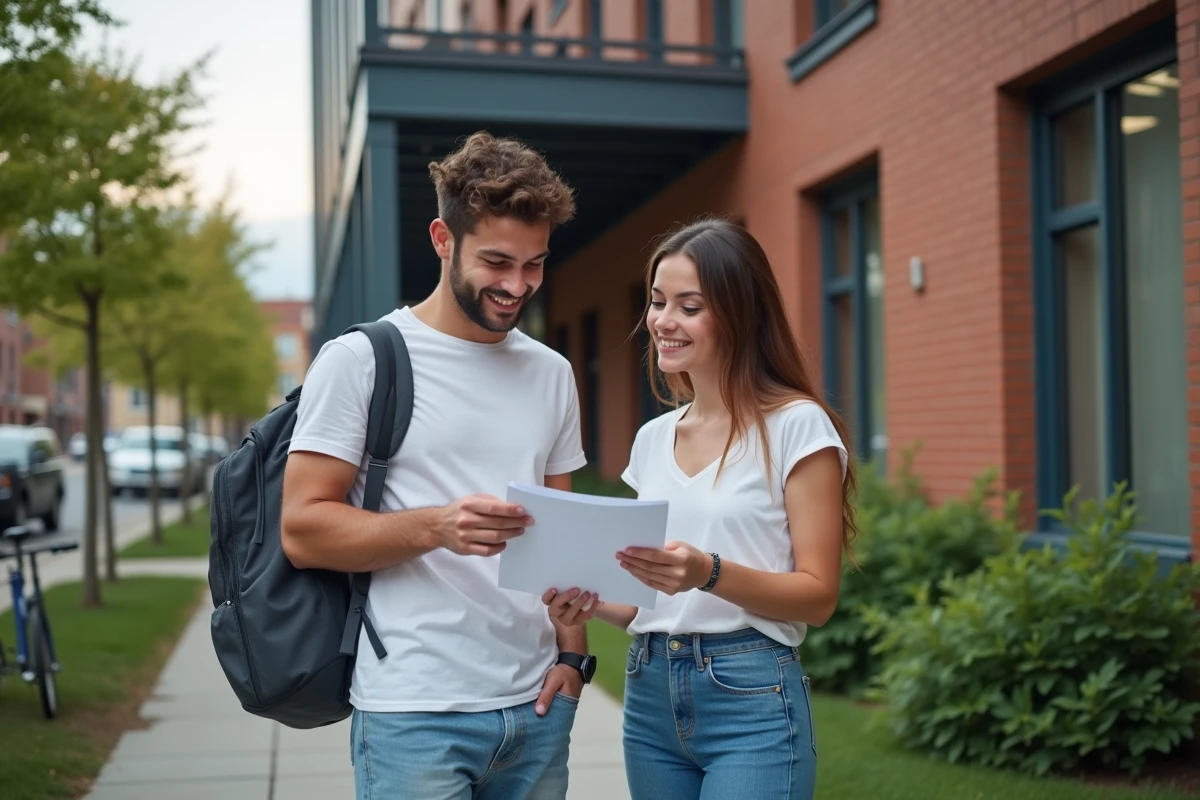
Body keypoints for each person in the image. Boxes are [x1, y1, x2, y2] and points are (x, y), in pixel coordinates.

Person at [281, 131, 594, 800]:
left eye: (534, 264)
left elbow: (563, 537)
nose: (517, 286)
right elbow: (303, 531)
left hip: (536, 710)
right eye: (498, 262)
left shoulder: (553, 374)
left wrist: (573, 656)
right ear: (443, 239)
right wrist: (436, 526)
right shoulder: (360, 360)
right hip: (413, 713)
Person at [543, 218, 856, 800]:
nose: (663, 321)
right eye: (659, 302)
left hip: (751, 698)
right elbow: (649, 604)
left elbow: (818, 596)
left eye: (690, 307)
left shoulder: (797, 427)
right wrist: (587, 602)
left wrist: (707, 572)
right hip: (650, 694)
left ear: (739, 315)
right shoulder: (653, 439)